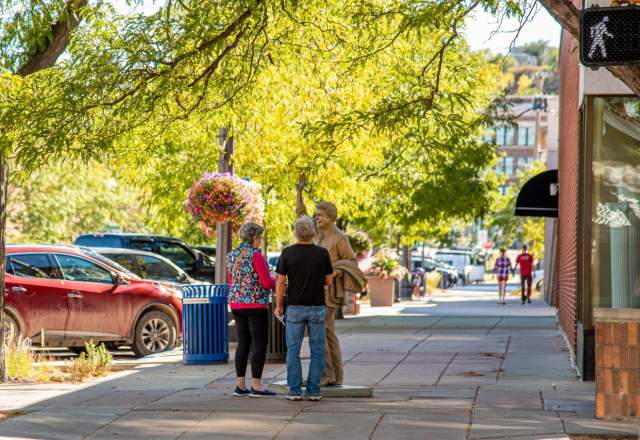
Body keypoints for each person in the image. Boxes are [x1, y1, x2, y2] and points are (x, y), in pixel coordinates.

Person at [295, 176, 363, 386]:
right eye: (316, 215)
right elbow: (300, 215)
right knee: (328, 333)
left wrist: (335, 272)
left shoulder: (339, 238)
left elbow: (351, 262)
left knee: (322, 332)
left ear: (332, 217)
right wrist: (299, 192)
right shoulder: (317, 234)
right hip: (316, 291)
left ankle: (327, 375)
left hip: (329, 292)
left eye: (321, 216)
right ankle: (336, 376)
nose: (317, 218)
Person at [274, 216, 334, 401]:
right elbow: (329, 280)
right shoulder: (322, 253)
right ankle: (314, 390)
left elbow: (281, 282)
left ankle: (294, 390)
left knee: (293, 350)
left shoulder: (287, 253)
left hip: (294, 307)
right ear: (313, 232)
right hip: (317, 306)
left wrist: (279, 306)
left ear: (295, 232)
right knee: (317, 350)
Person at [227, 222, 276, 398]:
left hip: (237, 304)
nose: (260, 240)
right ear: (254, 237)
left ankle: (240, 385)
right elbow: (266, 282)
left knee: (243, 343)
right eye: (259, 237)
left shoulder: (232, 255)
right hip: (255, 305)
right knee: (259, 344)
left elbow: (231, 281)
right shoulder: (256, 255)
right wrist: (277, 279)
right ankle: (256, 385)